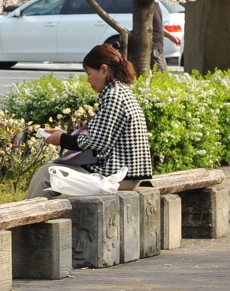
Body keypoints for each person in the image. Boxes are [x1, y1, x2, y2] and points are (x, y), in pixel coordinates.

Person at [26, 44, 153, 199]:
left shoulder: (113, 96)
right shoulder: (122, 91)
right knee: (52, 171)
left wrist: (63, 139)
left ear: (104, 70)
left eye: (89, 73)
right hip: (128, 174)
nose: (88, 80)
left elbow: (98, 143)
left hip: (116, 176)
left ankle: (26, 220)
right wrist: (64, 135)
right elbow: (101, 138)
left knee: (47, 173)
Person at [151, 0, 181, 72]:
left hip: (159, 46)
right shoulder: (149, 5)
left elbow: (158, 26)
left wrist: (170, 36)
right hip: (153, 47)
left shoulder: (157, 4)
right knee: (160, 75)